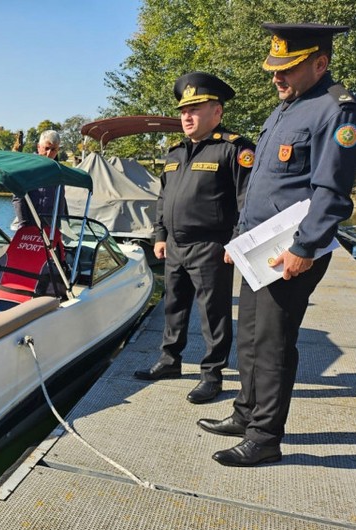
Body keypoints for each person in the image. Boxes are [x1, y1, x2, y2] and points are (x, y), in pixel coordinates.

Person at [198, 23, 356, 466]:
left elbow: (332, 191)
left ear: (320, 63)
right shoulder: (285, 109)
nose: (276, 77)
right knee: (249, 335)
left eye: (287, 68)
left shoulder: (334, 111)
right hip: (258, 248)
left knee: (272, 343)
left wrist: (305, 249)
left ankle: (264, 438)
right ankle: (246, 413)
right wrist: (238, 238)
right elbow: (263, 185)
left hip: (292, 250)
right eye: (274, 68)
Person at [134, 72, 255, 405]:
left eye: (196, 108)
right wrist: (160, 235)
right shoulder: (175, 153)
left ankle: (212, 375)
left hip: (211, 246)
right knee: (173, 307)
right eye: (183, 110)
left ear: (217, 112)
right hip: (175, 245)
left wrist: (237, 240)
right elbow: (163, 198)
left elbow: (248, 199)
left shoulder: (234, 149)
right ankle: (169, 361)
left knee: (213, 314)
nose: (186, 116)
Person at [12, 130, 69, 228]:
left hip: (52, 228)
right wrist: (24, 225)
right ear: (38, 147)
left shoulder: (59, 171)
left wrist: (62, 225)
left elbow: (61, 200)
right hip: (30, 225)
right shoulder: (27, 168)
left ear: (58, 150)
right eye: (46, 148)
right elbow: (18, 198)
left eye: (53, 149)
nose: (49, 153)